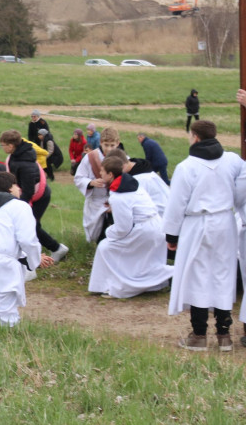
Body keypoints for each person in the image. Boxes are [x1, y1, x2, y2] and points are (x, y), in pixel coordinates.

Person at [164, 120, 246, 352]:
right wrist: (234, 203)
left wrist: (172, 235)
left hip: (197, 223)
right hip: (224, 222)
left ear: (195, 137)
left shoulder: (186, 167)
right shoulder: (232, 161)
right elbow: (242, 185)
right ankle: (224, 336)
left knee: (198, 277)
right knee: (223, 274)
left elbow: (176, 204)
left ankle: (199, 335)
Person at [0, 171, 53, 326]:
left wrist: (33, 258)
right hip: (0, 263)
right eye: (16, 185)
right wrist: (35, 260)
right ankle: (5, 335)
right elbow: (27, 239)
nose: (19, 189)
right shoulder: (20, 206)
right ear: (10, 188)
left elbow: (6, 241)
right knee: (6, 312)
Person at [87, 156, 174, 299]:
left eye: (102, 172)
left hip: (145, 231)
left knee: (105, 247)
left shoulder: (119, 196)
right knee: (142, 261)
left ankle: (115, 285)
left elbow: (123, 228)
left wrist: (109, 232)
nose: (100, 174)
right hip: (155, 227)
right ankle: (158, 281)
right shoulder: (131, 184)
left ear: (110, 175)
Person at [0, 129, 69, 264]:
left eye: (3, 145)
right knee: (30, 225)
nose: (2, 148)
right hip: (27, 196)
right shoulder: (16, 156)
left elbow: (28, 191)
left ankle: (57, 249)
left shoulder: (26, 164)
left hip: (39, 197)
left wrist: (19, 207)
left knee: (31, 225)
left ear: (11, 145)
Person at [74, 127, 121, 243]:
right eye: (106, 145)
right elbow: (78, 177)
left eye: (112, 145)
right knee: (95, 235)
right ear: (100, 142)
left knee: (115, 234)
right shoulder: (91, 158)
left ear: (117, 144)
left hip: (116, 202)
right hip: (96, 200)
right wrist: (91, 183)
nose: (109, 148)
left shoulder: (122, 158)